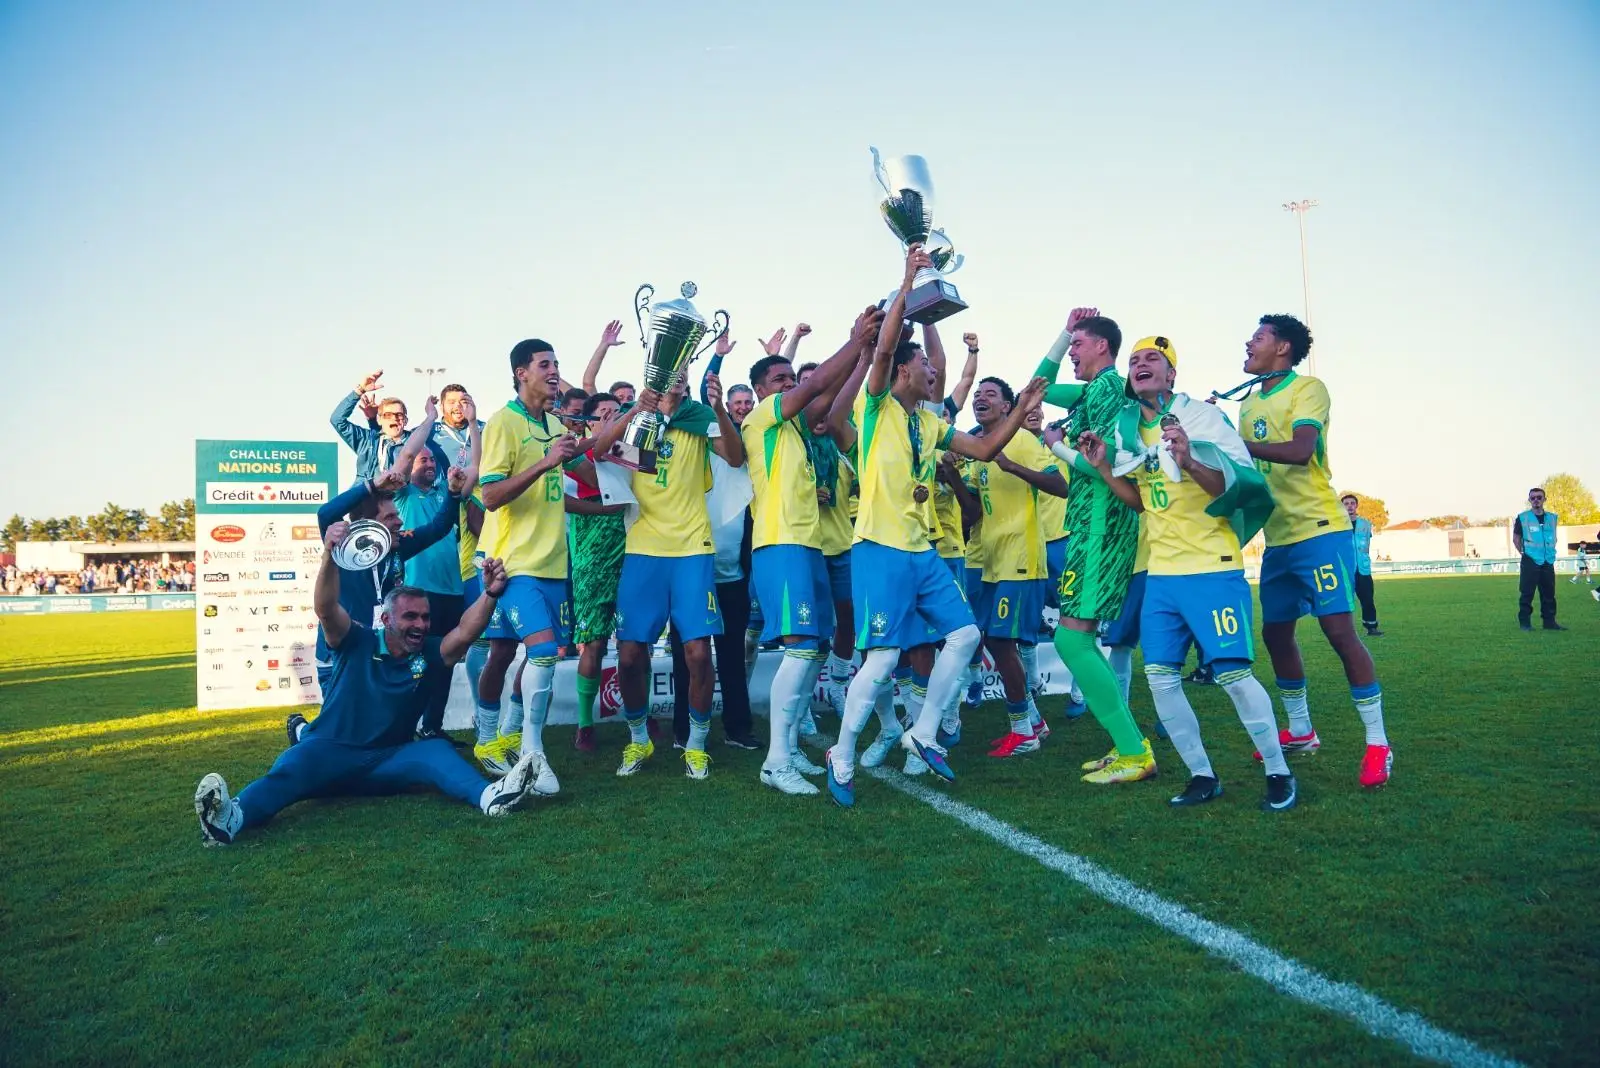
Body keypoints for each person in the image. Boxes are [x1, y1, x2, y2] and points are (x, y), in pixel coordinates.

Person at [823, 244, 1046, 808]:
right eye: (925, 365)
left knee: (967, 636)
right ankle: (842, 751)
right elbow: (882, 351)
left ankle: (923, 733)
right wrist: (907, 278)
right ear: (903, 370)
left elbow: (988, 447)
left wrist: (1022, 406)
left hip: (922, 551)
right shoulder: (877, 406)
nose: (933, 372)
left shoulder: (929, 421)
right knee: (879, 660)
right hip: (879, 548)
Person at [193, 532, 540, 846]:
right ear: (386, 620)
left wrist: (491, 593)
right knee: (292, 767)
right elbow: (326, 609)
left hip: (386, 762)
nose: (420, 624)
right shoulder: (356, 640)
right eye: (410, 617)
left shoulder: (430, 652)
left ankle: (491, 798)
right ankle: (228, 820)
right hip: (330, 753)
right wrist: (329, 554)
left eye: (424, 617)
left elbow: (465, 632)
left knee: (434, 750)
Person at [1072, 335, 1295, 810]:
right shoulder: (1127, 428)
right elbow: (1138, 501)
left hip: (1211, 568)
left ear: (1172, 374)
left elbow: (1234, 488)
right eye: (1133, 361)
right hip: (1162, 574)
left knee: (1233, 675)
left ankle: (1278, 770)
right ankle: (1201, 774)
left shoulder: (1202, 418)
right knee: (1160, 678)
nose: (1140, 365)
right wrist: (1105, 469)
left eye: (1152, 359)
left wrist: (1190, 459)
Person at [1239, 314, 1391, 788]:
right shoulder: (1245, 404)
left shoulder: (1309, 389)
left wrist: (1234, 445)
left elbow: (1302, 450)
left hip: (1321, 530)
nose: (1249, 342)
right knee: (1275, 636)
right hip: (1279, 539)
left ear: (1282, 348)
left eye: (1258, 337)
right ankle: (1301, 730)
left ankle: (1378, 742)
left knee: (1339, 632)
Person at [587, 355, 746, 782]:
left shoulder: (699, 418)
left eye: (684, 371)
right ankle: (638, 738)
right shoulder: (638, 419)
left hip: (693, 548)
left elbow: (734, 457)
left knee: (697, 653)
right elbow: (600, 450)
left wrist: (717, 409)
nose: (678, 378)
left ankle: (695, 744)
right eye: (669, 371)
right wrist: (636, 409)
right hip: (643, 549)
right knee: (630, 653)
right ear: (655, 377)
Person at [743, 308, 881, 795]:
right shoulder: (764, 418)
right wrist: (852, 340)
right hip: (780, 545)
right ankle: (775, 759)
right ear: (761, 391)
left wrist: (863, 354)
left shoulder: (800, 431)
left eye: (788, 379)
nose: (786, 385)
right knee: (801, 652)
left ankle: (787, 750)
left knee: (816, 649)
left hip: (810, 546)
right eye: (778, 379)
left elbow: (832, 395)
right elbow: (817, 380)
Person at [1033, 307, 1155, 785]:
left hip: (1103, 523)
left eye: (1078, 345)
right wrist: (1063, 332)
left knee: (1071, 637)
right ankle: (1128, 744)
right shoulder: (1091, 392)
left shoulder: (1106, 389)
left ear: (1102, 346)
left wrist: (1053, 445)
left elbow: (1103, 465)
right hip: (1088, 523)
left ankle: (1133, 749)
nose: (1071, 357)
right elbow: (1035, 392)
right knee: (1075, 638)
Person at [475, 339, 582, 794]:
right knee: (525, 653)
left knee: (537, 656)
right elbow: (491, 496)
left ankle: (509, 737)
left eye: (557, 363)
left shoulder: (557, 423)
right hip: (510, 564)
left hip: (554, 564)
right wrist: (545, 462)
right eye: (545, 364)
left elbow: (562, 490)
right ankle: (525, 754)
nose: (554, 371)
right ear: (521, 372)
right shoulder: (503, 422)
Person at [966, 377, 1068, 758]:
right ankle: (1034, 721)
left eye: (991, 394)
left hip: (1021, 561)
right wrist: (953, 481)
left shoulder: (1022, 441)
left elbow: (1060, 486)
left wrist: (1011, 466)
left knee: (1002, 642)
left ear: (1009, 407)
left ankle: (1023, 730)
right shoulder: (978, 447)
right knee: (995, 640)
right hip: (991, 562)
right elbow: (974, 512)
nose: (981, 399)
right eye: (978, 395)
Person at [568, 392, 630, 751]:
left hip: (631, 543)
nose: (611, 419)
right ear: (589, 422)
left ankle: (641, 713)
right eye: (603, 414)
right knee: (593, 641)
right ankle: (584, 722)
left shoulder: (630, 451)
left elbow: (652, 473)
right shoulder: (576, 450)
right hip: (591, 548)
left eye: (617, 413)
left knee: (633, 639)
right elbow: (592, 474)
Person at [330, 370, 448, 480]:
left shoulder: (415, 442)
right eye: (388, 415)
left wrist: (431, 414)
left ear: (405, 421)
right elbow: (337, 420)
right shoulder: (366, 441)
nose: (394, 418)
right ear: (380, 419)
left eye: (399, 415)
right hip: (369, 498)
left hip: (400, 498)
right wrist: (359, 390)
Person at [1513, 487, 1562, 630]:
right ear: (1529, 500)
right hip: (1530, 560)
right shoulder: (1523, 518)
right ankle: (1525, 622)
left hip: (1548, 560)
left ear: (1544, 499)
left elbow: (1552, 537)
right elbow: (1516, 538)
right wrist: (1524, 553)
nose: (1536, 500)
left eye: (1539, 497)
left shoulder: (1552, 518)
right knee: (1527, 593)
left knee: (1549, 593)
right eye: (1533, 498)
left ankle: (1549, 622)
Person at [1342, 493, 1382, 635]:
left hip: (1363, 568)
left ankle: (1371, 626)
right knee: (1344, 601)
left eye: (1352, 503)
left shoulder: (1365, 524)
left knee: (1367, 599)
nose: (1349, 506)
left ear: (1356, 506)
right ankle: (1345, 630)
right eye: (1346, 504)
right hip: (1345, 568)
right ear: (1342, 506)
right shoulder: (1338, 524)